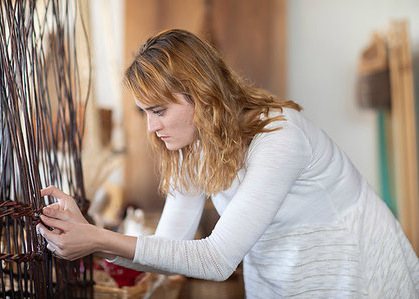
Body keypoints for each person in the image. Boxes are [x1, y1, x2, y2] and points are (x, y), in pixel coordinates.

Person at [37, 29, 419, 298]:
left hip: (353, 272)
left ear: (201, 95)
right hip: (279, 277)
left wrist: (98, 238)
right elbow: (170, 250)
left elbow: (217, 259)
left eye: (158, 111)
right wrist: (88, 236)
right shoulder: (193, 145)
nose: (152, 128)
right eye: (144, 113)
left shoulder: (279, 138)